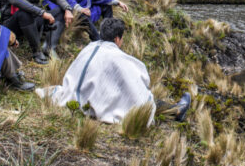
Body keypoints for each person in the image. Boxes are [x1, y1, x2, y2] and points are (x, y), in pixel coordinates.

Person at [36, 18, 190, 124]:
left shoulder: (89, 48)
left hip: (74, 96)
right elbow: (138, 85)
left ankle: (173, 109)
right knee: (143, 99)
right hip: (93, 101)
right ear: (117, 39)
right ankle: (175, 111)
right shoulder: (117, 57)